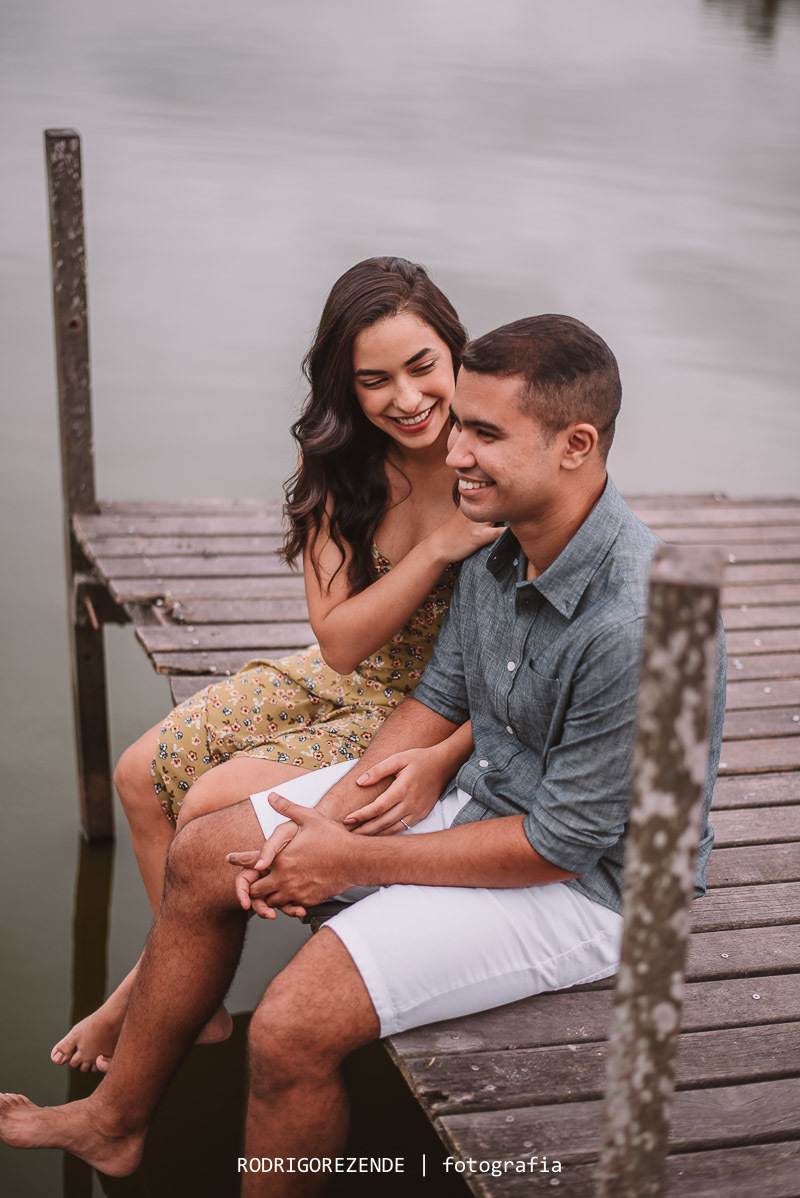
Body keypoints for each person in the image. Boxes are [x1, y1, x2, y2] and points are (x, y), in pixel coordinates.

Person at [0, 314, 726, 1196]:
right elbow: (435, 701)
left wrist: (350, 855)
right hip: (490, 800)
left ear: (576, 445)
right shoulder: (505, 542)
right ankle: (114, 1121)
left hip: (595, 891)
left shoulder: (642, 625)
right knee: (201, 855)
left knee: (290, 1025)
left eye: (484, 433)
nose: (455, 451)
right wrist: (323, 820)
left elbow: (558, 847)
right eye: (460, 422)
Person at [50, 256, 500, 1072]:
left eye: (423, 366)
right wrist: (436, 549)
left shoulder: (495, 459)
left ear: (455, 350)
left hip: (432, 707)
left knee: (214, 801)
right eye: (374, 380)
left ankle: (146, 991)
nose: (406, 398)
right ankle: (200, 1003)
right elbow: (339, 639)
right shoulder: (339, 466)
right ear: (346, 387)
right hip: (343, 673)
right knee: (140, 772)